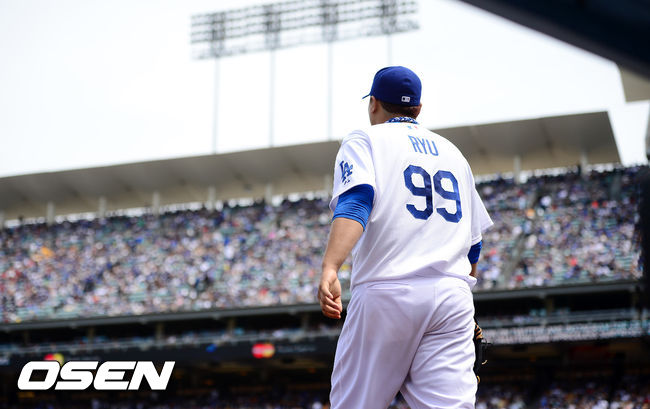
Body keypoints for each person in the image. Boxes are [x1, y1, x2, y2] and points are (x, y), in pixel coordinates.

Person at [318, 66, 493, 409]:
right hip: (450, 297)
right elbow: (474, 246)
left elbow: (357, 201)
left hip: (387, 290)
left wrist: (330, 266)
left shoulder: (365, 139)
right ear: (418, 108)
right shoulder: (453, 153)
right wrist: (457, 292)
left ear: (373, 104)